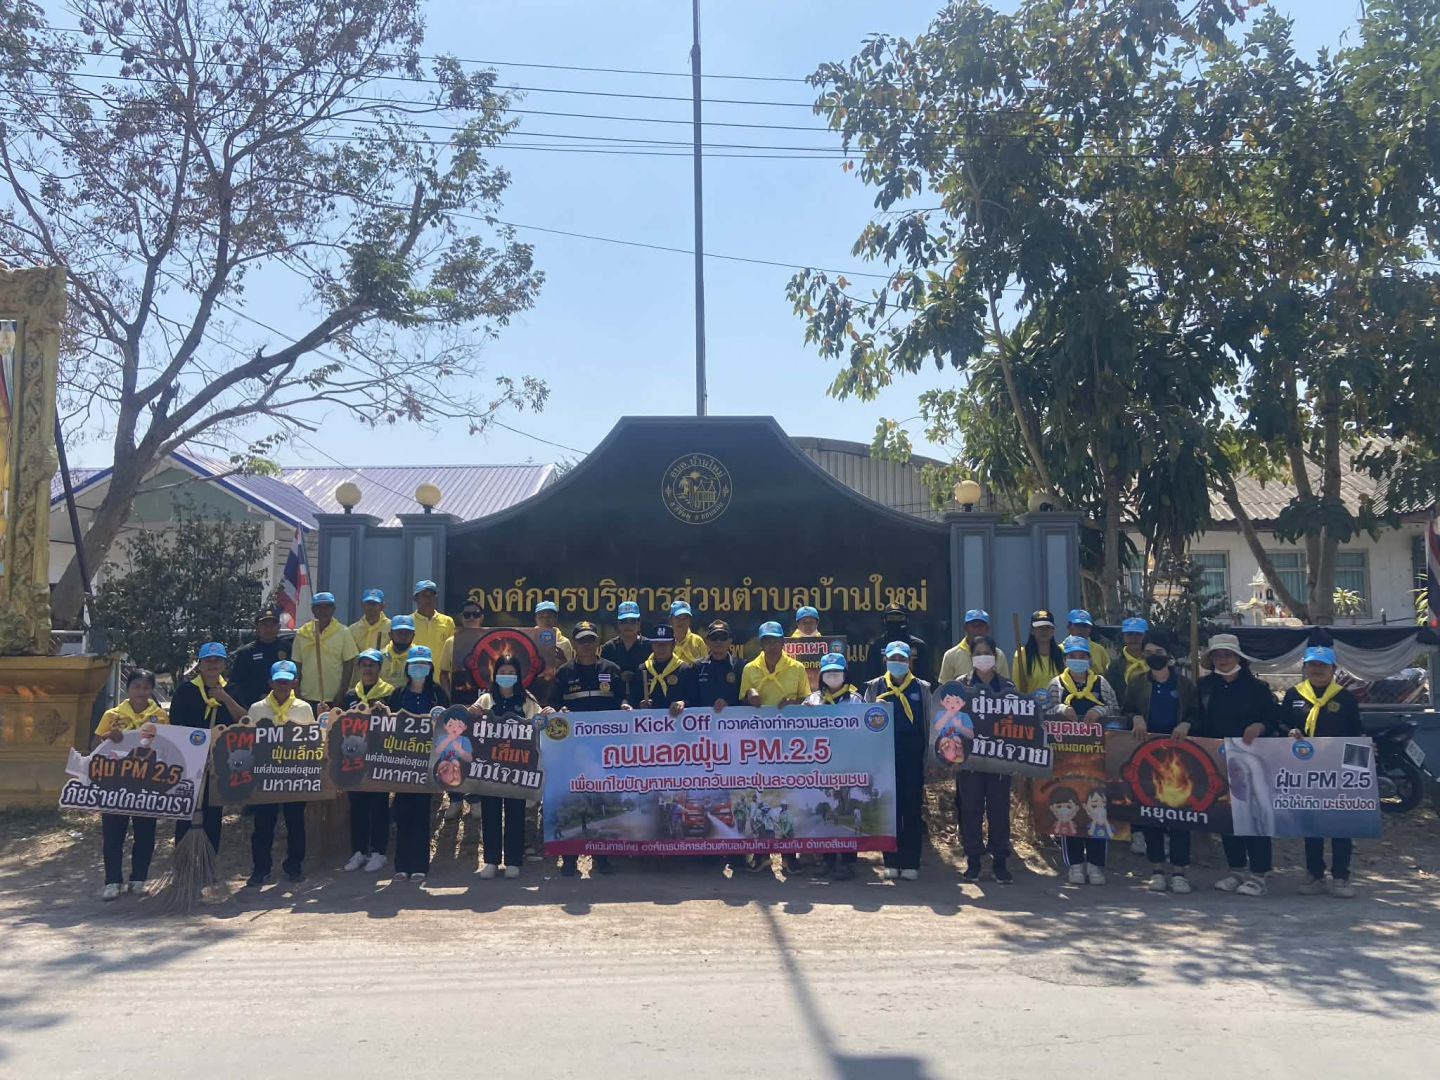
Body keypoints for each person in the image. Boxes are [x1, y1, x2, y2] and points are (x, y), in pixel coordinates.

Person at [1195, 634, 1280, 897]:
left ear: (1238, 657)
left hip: (1252, 760)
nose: (1222, 660)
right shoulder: (1204, 686)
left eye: (1227, 654)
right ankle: (1237, 869)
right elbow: (1197, 718)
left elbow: (1273, 719)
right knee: (1227, 816)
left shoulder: (1258, 688)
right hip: (1216, 760)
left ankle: (1259, 874)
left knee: (1254, 814)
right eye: (1217, 655)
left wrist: (1260, 726)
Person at [545, 621, 629, 876]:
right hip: (571, 750)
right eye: (581, 640)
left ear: (597, 642)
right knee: (571, 802)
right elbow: (552, 706)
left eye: (590, 639)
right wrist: (558, 710)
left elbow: (622, 699)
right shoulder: (564, 672)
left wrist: (625, 706)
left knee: (601, 802)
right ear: (574, 643)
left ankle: (601, 858)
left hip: (603, 749)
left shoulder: (611, 669)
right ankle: (569, 858)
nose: (586, 644)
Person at [1281, 645, 1363, 898]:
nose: (1317, 669)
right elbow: (1281, 723)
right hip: (1304, 770)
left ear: (1333, 668)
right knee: (1311, 823)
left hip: (1337, 770)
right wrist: (1288, 732)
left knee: (1341, 823)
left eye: (1323, 665)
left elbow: (1356, 733)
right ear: (1305, 667)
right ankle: (1314, 874)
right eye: (1313, 664)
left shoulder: (1345, 698)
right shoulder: (1293, 695)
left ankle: (1341, 876)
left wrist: (1362, 759)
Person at [1124, 627, 1200, 894]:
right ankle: (1156, 869)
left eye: (1158, 651)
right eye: (1148, 652)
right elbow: (1126, 710)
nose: (1153, 656)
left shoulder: (1184, 685)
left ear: (1168, 654)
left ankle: (1179, 871)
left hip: (1179, 758)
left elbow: (1196, 714)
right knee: (1151, 814)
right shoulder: (1136, 683)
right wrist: (1135, 717)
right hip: (1147, 756)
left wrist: (1187, 723)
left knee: (1179, 814)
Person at [1046, 635, 1119, 885]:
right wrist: (1059, 709)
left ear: (1089, 658)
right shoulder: (1056, 684)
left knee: (1098, 807)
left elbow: (1117, 711)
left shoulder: (1101, 683)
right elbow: (1044, 713)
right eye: (1072, 656)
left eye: (1081, 656)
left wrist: (1100, 710)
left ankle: (1096, 864)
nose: (1077, 660)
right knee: (1070, 805)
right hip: (1066, 759)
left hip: (1098, 758)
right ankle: (1075, 864)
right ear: (1065, 659)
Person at [93, 668, 168, 900]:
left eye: (146, 687)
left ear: (152, 690)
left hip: (147, 785)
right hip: (115, 785)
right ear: (127, 688)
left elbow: (168, 747)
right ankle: (112, 881)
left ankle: (138, 880)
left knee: (145, 834)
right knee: (113, 834)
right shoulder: (112, 715)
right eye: (136, 686)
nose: (141, 691)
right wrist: (108, 737)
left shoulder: (160, 717)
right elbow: (94, 746)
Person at [864, 641, 932, 881]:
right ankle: (891, 861)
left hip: (912, 753)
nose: (898, 663)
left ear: (910, 661)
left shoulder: (922, 688)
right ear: (885, 660)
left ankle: (911, 862)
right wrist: (874, 709)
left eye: (902, 659)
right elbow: (863, 723)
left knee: (911, 808)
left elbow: (928, 724)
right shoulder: (874, 687)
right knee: (888, 808)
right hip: (884, 754)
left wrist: (928, 759)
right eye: (893, 658)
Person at [469, 654, 541, 879]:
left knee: (515, 814)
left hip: (517, 768)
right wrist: (471, 714)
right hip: (489, 768)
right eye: (502, 672)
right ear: (495, 674)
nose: (507, 676)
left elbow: (539, 726)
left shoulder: (527, 700)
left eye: (511, 673)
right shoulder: (485, 699)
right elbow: (470, 726)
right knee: (490, 813)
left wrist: (546, 716)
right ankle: (491, 861)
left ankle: (513, 861)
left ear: (518, 675)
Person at [168, 642, 245, 853]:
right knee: (185, 809)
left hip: (219, 761)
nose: (213, 664)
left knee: (213, 812)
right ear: (200, 664)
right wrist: (195, 754)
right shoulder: (186, 690)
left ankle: (209, 860)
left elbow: (243, 722)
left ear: (224, 664)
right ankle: (183, 860)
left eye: (217, 660)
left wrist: (225, 699)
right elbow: (176, 724)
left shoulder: (232, 689)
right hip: (190, 760)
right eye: (208, 661)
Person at [245, 661, 316, 887]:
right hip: (265, 776)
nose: (283, 685)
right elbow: (247, 742)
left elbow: (312, 742)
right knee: (263, 825)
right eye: (278, 681)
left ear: (295, 682)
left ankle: (294, 866)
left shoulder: (304, 708)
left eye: (287, 681)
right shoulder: (256, 709)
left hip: (294, 776)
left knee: (296, 824)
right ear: (270, 682)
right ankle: (261, 869)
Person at [955, 635, 1017, 884]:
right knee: (970, 810)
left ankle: (1000, 861)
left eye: (987, 652)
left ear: (995, 656)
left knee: (999, 810)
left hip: (1000, 759)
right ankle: (973, 861)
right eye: (978, 653)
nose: (983, 657)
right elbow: (950, 721)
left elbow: (1018, 724)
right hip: (969, 760)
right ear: (971, 657)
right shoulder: (960, 685)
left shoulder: (1007, 686)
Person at [386, 645, 450, 884]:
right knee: (403, 814)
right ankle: (401, 866)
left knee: (422, 814)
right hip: (403, 763)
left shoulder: (437, 694)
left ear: (430, 667)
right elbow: (387, 724)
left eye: (423, 664)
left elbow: (449, 725)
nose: (419, 668)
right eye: (414, 664)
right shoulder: (398, 694)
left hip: (429, 764)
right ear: (407, 667)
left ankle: (420, 865)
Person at [806, 652, 863, 880]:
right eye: (828, 672)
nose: (832, 676)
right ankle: (828, 859)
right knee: (825, 811)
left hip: (848, 765)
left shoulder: (856, 700)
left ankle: (848, 862)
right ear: (821, 676)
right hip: (822, 767)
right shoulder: (813, 700)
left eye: (837, 672)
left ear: (845, 674)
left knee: (846, 809)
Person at [339, 649, 395, 873]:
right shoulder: (350, 695)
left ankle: (379, 852)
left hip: (379, 758)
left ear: (379, 668)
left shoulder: (390, 693)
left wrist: (387, 711)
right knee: (357, 806)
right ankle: (359, 851)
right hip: (355, 759)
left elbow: (396, 724)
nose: (368, 669)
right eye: (364, 665)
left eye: (372, 665)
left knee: (379, 806)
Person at [439, 599, 486, 821]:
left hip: (483, 707)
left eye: (475, 614)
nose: (471, 618)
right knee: (453, 752)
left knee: (478, 753)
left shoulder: (493, 639)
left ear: (482, 617)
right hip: (458, 706)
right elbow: (443, 673)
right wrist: (450, 699)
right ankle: (455, 799)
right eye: (467, 614)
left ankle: (475, 799)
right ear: (461, 617)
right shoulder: (452, 641)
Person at [295, 590, 357, 711]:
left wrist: (342, 692)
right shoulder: (302, 633)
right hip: (307, 696)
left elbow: (349, 664)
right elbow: (297, 663)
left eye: (327, 607)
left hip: (333, 696)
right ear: (313, 610)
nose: (323, 611)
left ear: (333, 609)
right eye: (319, 607)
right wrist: (297, 692)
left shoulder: (343, 632)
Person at [229, 605, 291, 713]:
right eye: (264, 625)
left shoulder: (288, 648)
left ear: (279, 627)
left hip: (285, 704)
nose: (268, 629)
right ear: (257, 627)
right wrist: (256, 696)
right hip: (255, 706)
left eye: (272, 625)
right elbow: (236, 683)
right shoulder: (246, 652)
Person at [741, 622, 811, 707]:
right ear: (761, 644)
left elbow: (805, 699)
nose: (772, 646)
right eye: (767, 642)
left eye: (776, 641)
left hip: (789, 715)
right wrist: (749, 695)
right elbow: (741, 703)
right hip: (759, 716)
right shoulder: (749, 669)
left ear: (783, 642)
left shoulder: (798, 668)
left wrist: (792, 703)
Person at [682, 620, 746, 712]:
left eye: (723, 637)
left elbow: (745, 699)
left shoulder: (741, 666)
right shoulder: (697, 667)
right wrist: (682, 703)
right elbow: (690, 698)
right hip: (704, 719)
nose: (718, 641)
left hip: (733, 719)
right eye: (714, 637)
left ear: (730, 640)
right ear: (707, 641)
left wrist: (729, 703)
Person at [938, 608, 1011, 683]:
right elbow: (944, 686)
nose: (977, 629)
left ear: (987, 628)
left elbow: (1005, 684)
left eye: (980, 626)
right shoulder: (951, 655)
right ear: (965, 628)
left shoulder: (999, 654)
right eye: (973, 626)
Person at [601, 600, 651, 705]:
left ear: (639, 623)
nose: (628, 625)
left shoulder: (649, 646)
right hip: (615, 702)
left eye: (632, 621)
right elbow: (603, 677)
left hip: (644, 702)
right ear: (618, 624)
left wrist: (635, 676)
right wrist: (619, 677)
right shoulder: (609, 648)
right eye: (624, 621)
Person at [865, 604, 928, 681]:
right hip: (882, 687)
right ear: (884, 620)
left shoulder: (918, 645)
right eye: (891, 618)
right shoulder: (876, 645)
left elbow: (926, 676)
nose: (896, 621)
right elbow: (870, 676)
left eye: (900, 618)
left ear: (907, 620)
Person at [634, 625, 689, 714]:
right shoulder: (643, 669)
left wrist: (683, 703)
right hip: (650, 720)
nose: (661, 648)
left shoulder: (684, 669)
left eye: (665, 644)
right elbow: (633, 698)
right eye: (657, 644)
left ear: (673, 644)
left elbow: (694, 697)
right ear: (651, 645)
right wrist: (639, 704)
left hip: (677, 719)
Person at [1013, 609, 1063, 696]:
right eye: (1039, 627)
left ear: (1053, 631)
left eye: (1047, 627)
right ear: (1032, 631)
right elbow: (1016, 688)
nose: (1043, 631)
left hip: (1057, 703)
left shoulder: (1062, 653)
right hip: (1031, 703)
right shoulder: (1021, 654)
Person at [1106, 617, 1150, 693]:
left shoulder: (1154, 660)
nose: (1134, 638)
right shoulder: (1114, 666)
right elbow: (1109, 694)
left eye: (1138, 634)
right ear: (1123, 637)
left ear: (1146, 636)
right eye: (1130, 634)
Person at [1066, 609, 1111, 674]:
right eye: (1078, 625)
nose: (1081, 629)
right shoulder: (1060, 649)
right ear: (1069, 627)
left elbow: (1109, 674)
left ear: (1090, 628)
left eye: (1085, 626)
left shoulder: (1099, 650)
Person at [349, 588, 390, 653]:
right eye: (368, 603)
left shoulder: (391, 627)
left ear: (382, 606)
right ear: (362, 605)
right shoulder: (352, 630)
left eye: (374, 604)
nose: (371, 607)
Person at [381, 615, 416, 684]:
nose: (403, 636)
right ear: (390, 635)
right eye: (399, 632)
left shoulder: (418, 659)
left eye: (407, 632)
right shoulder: (381, 657)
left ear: (413, 635)